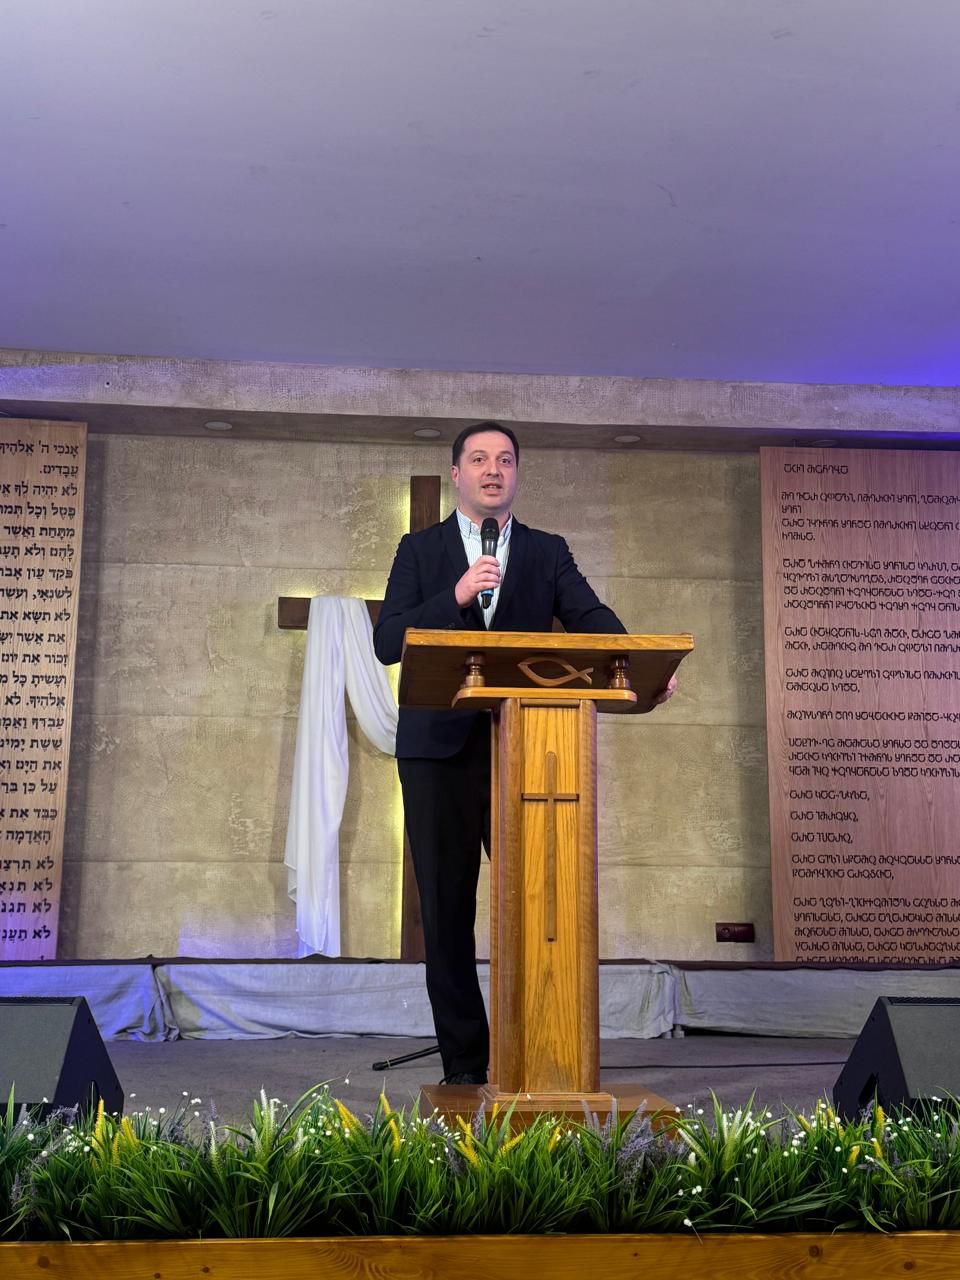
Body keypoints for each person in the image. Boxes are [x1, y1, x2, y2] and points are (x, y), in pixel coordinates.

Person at [373, 421, 675, 1085]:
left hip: (529, 748)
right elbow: (388, 640)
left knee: (542, 903)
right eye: (480, 459)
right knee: (447, 913)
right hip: (438, 753)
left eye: (505, 460)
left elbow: (591, 618)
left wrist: (637, 662)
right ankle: (466, 1066)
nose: (493, 470)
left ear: (516, 474)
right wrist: (455, 596)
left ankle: (541, 1052)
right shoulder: (419, 550)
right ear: (457, 474)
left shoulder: (546, 551)